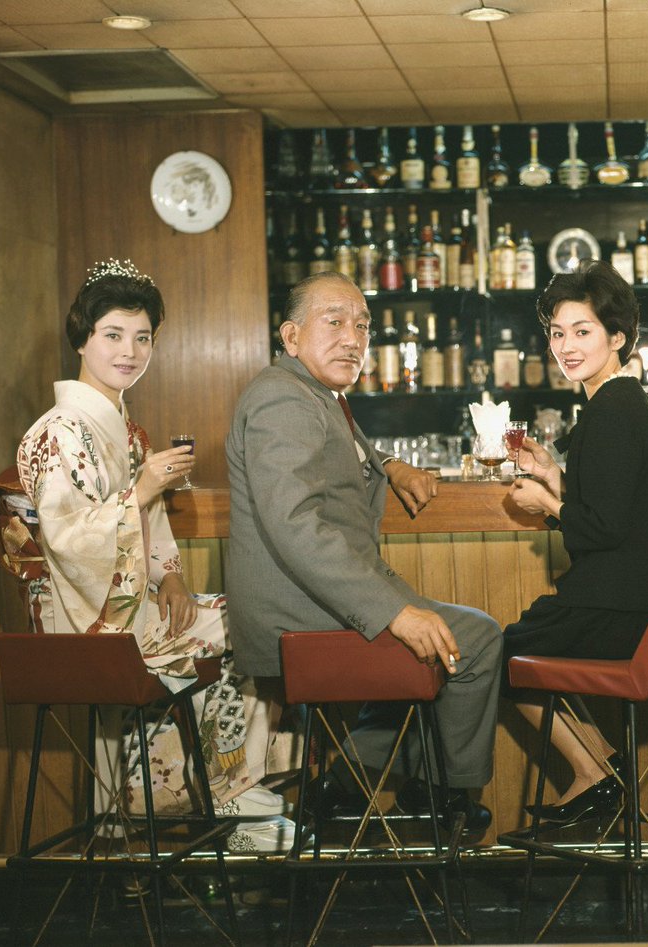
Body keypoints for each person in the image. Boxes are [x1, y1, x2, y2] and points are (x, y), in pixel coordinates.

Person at [15, 259, 293, 852]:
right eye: (113, 335)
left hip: (134, 600)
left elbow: (155, 529)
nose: (129, 351)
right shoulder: (58, 430)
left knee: (259, 620)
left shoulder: (128, 430)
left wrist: (171, 580)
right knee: (246, 627)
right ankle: (225, 796)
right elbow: (66, 540)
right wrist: (141, 489)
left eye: (143, 338)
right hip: (84, 614)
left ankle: (231, 787)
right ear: (82, 339)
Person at [225, 270, 502, 832]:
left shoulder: (316, 394)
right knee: (474, 641)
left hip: (313, 598)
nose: (353, 338)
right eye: (334, 322)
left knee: (434, 646)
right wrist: (393, 613)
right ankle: (435, 802)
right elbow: (296, 523)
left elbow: (339, 450)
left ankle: (345, 785)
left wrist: (389, 466)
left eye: (363, 325)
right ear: (291, 336)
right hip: (295, 612)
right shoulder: (283, 397)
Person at [503, 260, 648, 824]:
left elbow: (602, 528)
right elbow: (614, 502)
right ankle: (602, 766)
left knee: (502, 655)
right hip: (638, 599)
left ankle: (594, 775)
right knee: (521, 642)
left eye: (582, 331)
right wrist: (554, 471)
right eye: (558, 333)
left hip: (618, 605)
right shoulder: (622, 402)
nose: (567, 346)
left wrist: (546, 506)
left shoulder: (610, 408)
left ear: (618, 338)